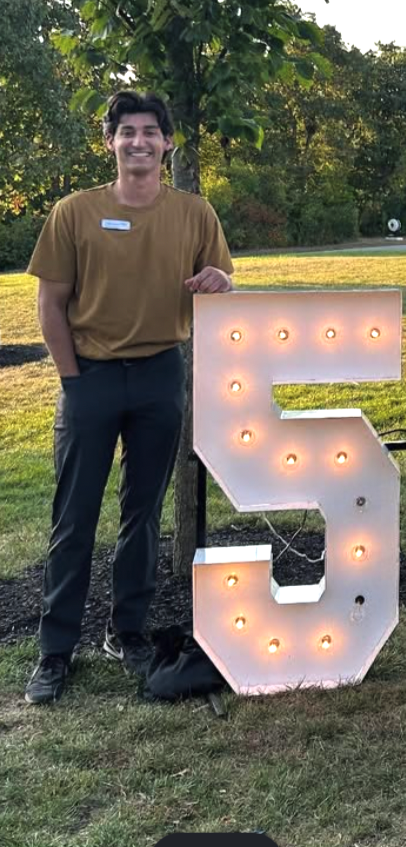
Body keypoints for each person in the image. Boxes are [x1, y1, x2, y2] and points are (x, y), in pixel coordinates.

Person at [24, 91, 235, 704]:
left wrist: (222, 279)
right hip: (88, 377)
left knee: (142, 515)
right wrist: (73, 381)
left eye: (149, 131)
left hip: (160, 375)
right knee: (74, 518)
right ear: (110, 142)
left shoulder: (195, 213)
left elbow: (221, 282)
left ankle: (128, 634)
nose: (138, 141)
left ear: (168, 143)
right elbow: (50, 305)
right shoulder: (73, 212)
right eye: (126, 132)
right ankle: (55, 651)